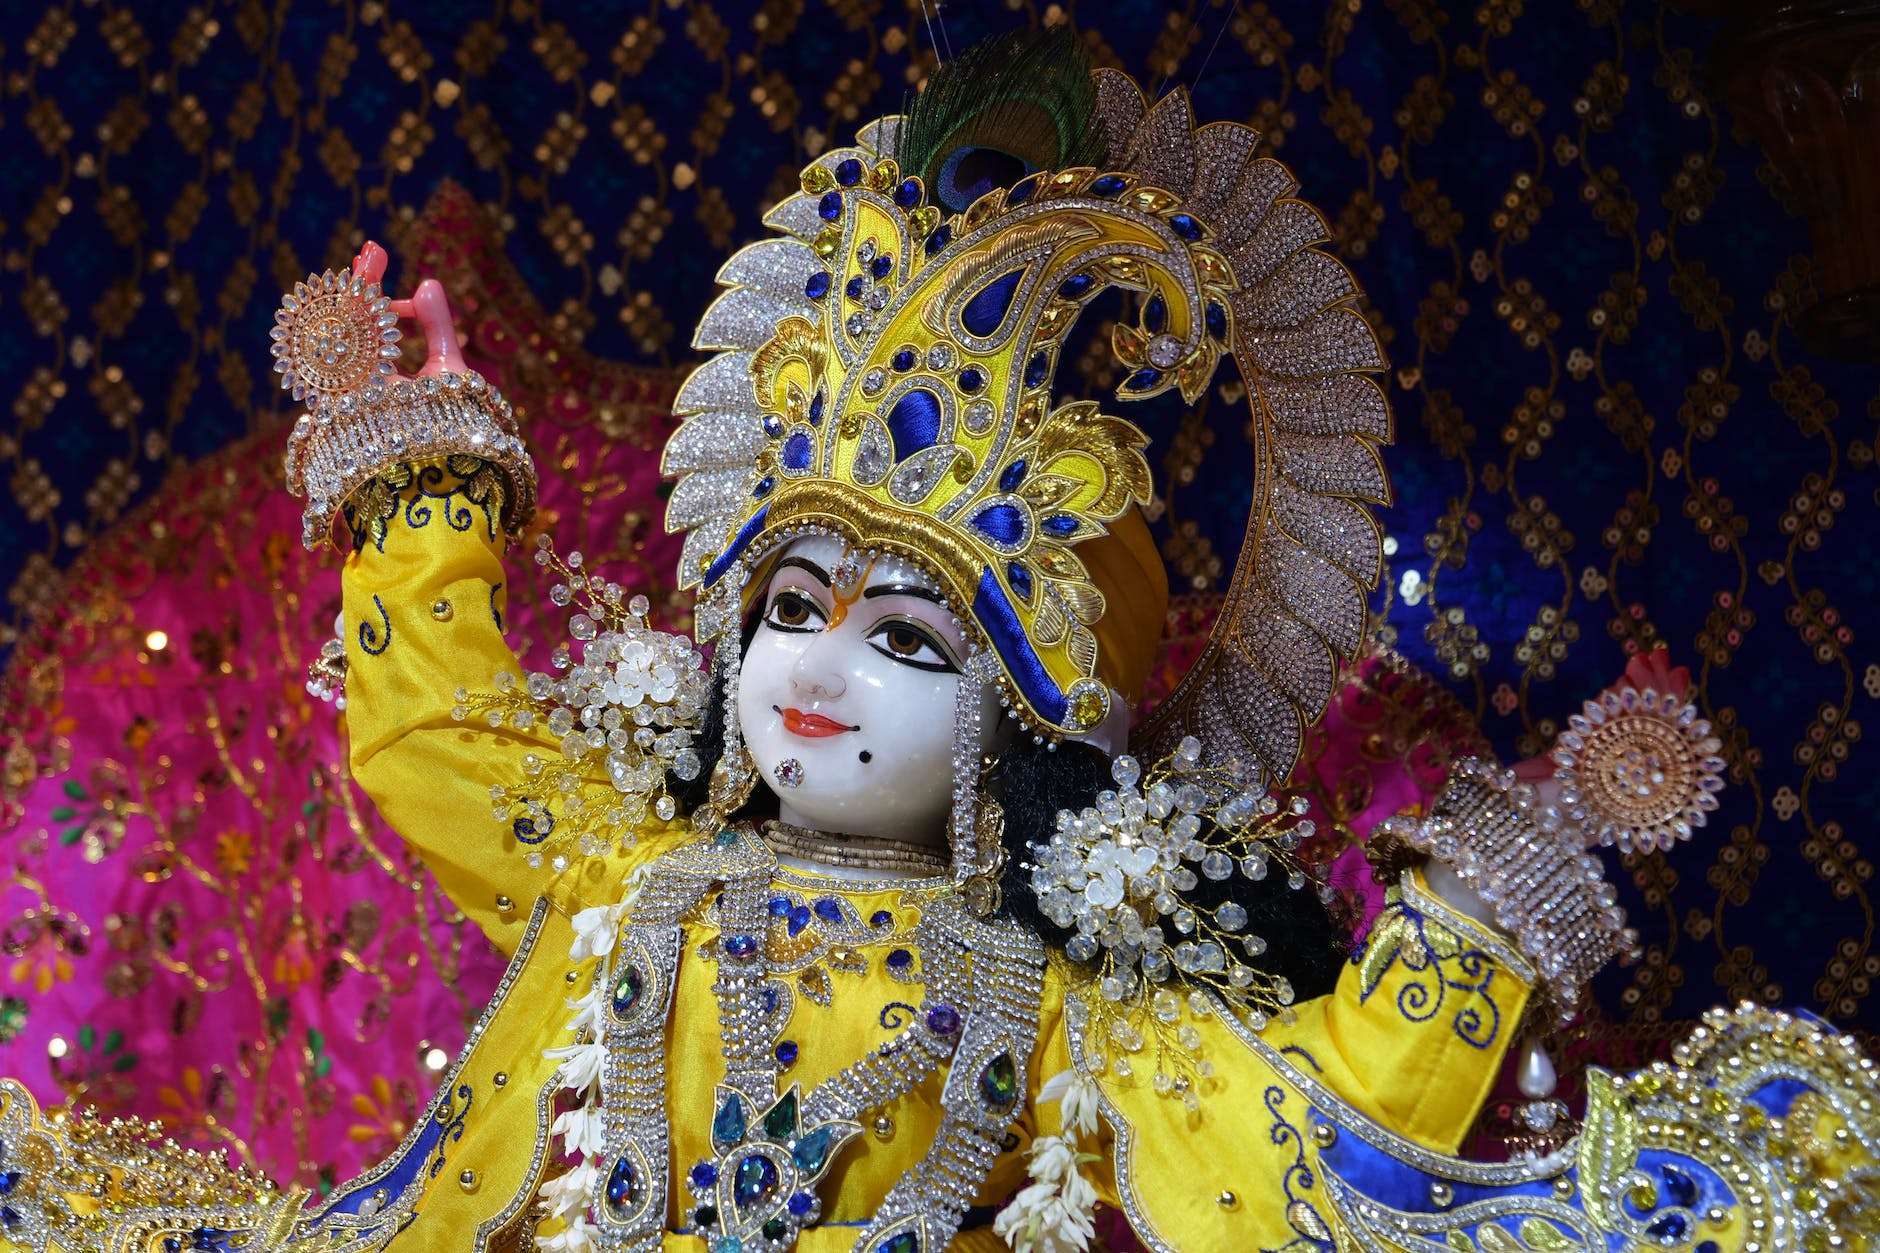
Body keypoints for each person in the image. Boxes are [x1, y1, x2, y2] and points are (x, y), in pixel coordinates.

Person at [0, 30, 1869, 1253]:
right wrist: (420, 480)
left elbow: (1301, 1145)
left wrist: (1490, 902)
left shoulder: (1051, 1004)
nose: (818, 666)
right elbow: (434, 743)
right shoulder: (624, 880)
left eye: (906, 634)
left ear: (1025, 714)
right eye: (791, 608)